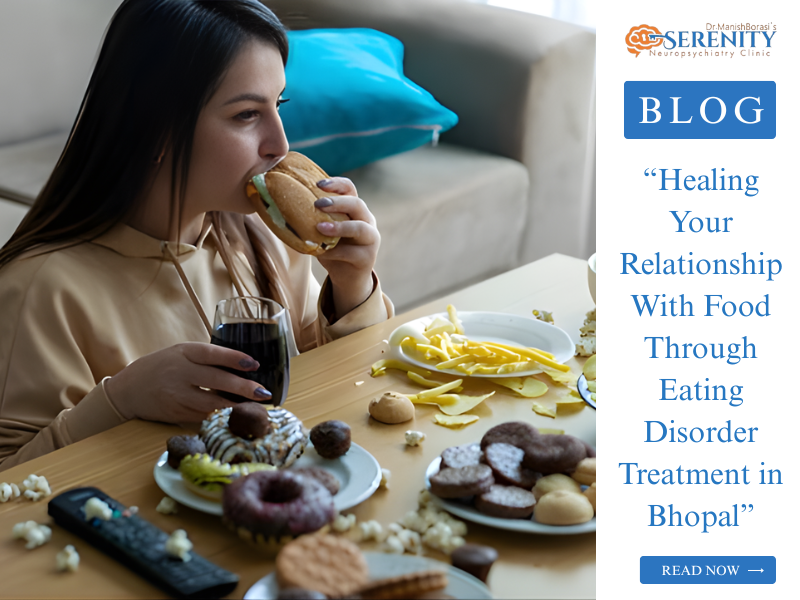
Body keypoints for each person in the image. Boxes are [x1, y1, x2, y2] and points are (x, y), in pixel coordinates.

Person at [0, 0, 393, 471]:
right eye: (246, 114)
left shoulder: (267, 237)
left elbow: (342, 397)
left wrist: (352, 288)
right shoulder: (40, 288)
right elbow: (11, 483)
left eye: (278, 105)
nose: (281, 144)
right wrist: (120, 401)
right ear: (157, 130)